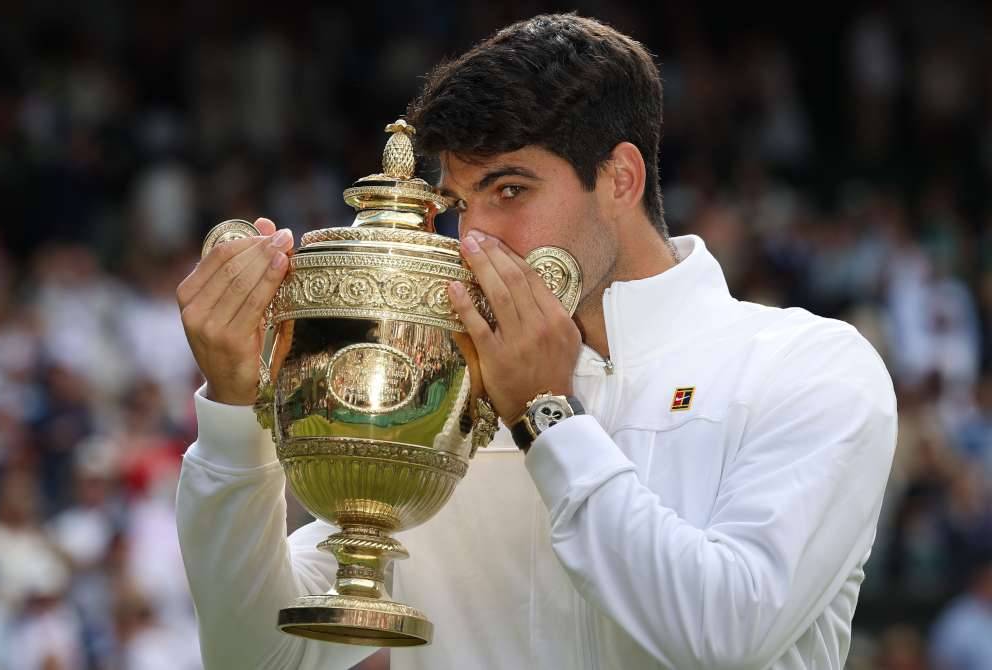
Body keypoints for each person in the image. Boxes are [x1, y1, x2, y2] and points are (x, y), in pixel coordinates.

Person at [175, 13, 897, 669]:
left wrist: (548, 419)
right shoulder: (446, 391)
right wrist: (235, 413)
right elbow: (259, 655)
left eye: (510, 191)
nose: (476, 236)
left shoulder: (809, 367)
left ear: (620, 179)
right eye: (460, 203)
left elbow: (726, 632)